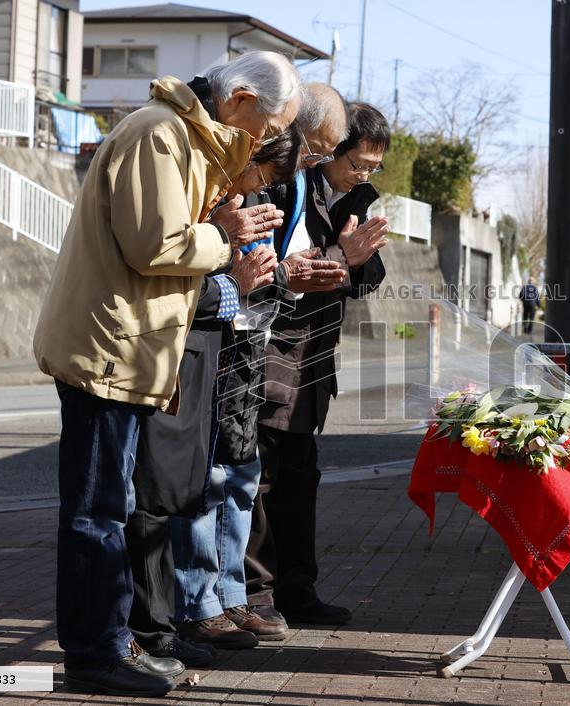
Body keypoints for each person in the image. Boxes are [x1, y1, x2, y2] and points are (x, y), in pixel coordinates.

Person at [32, 50, 301, 697]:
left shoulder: (177, 134)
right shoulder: (160, 132)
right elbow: (155, 243)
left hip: (125, 347)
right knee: (97, 511)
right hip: (108, 348)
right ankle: (96, 656)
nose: (260, 142)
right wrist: (225, 236)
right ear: (237, 97)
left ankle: (112, 644)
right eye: (264, 127)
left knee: (111, 507)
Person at [170, 83, 352, 648]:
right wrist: (244, 273)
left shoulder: (287, 182)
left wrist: (297, 274)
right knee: (202, 480)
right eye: (313, 150)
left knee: (240, 475)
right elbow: (184, 263)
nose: (316, 165)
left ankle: (231, 595)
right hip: (212, 343)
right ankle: (200, 602)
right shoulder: (215, 171)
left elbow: (278, 264)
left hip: (252, 336)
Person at [125, 127, 303, 665]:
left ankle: (216, 602)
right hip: (182, 355)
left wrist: (284, 275)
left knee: (230, 479)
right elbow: (165, 270)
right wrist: (233, 268)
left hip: (233, 348)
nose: (267, 191)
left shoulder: (241, 195)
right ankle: (178, 618)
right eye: (270, 175)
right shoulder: (192, 181)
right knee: (165, 494)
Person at [251, 102, 392, 626]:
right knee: (259, 478)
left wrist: (351, 257)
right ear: (329, 149)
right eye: (357, 163)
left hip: (314, 351)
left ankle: (297, 590)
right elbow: (276, 271)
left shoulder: (357, 197)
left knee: (300, 476)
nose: (363, 175)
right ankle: (256, 595)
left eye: (373, 168)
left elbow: (368, 274)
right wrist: (341, 255)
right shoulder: (287, 185)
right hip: (268, 349)